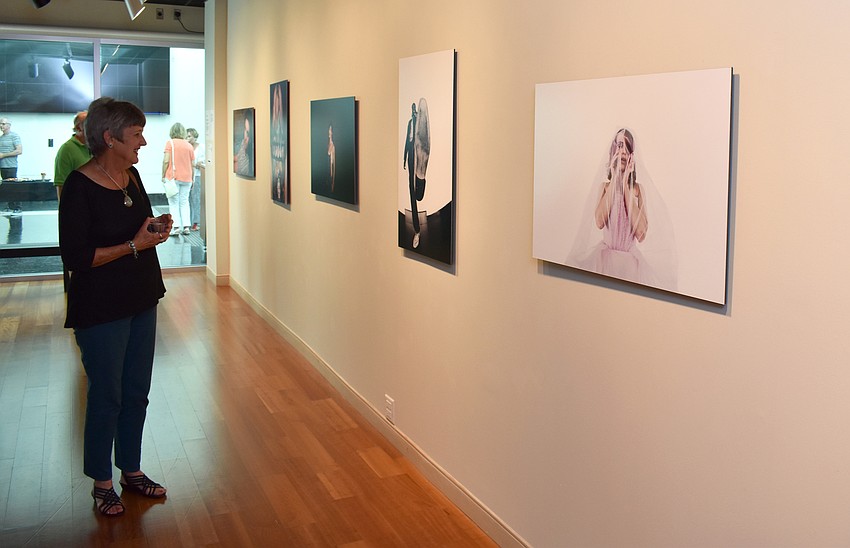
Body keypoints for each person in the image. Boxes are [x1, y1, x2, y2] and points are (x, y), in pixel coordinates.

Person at [58, 96, 172, 517]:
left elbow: (137, 228)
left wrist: (154, 229)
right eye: (136, 134)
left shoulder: (133, 176)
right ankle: (102, 482)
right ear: (110, 138)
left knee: (136, 392)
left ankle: (131, 470)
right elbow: (76, 257)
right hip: (101, 307)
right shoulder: (79, 186)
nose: (143, 142)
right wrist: (133, 245)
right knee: (107, 394)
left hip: (142, 296)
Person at [568, 128, 677, 290]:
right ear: (613, 151)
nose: (623, 152)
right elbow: (599, 221)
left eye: (627, 147)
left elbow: (641, 233)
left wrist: (625, 183)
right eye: (619, 146)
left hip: (629, 265)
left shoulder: (638, 190)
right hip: (605, 260)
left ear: (632, 154)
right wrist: (615, 178)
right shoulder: (605, 187)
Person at [162, 123, 195, 236]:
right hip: (187, 178)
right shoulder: (189, 146)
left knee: (174, 203)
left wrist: (163, 175)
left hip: (173, 177)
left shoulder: (170, 143)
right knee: (184, 202)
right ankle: (186, 227)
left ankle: (176, 227)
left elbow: (166, 161)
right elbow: (192, 164)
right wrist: (192, 178)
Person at [54, 111, 92, 201]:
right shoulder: (66, 149)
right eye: (89, 124)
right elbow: (61, 184)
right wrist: (64, 208)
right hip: (77, 203)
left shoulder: (95, 147)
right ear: (79, 128)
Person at [402, 103, 420, 247]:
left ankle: (417, 230)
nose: (413, 111)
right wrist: (404, 159)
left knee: (417, 192)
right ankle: (417, 229)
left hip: (417, 159)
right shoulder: (410, 123)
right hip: (410, 159)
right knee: (411, 191)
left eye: (415, 109)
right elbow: (406, 142)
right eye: (412, 109)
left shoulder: (419, 122)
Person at [0, 117, 23, 212]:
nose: (1, 126)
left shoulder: (14, 136)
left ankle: (17, 207)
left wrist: (3, 155)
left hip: (11, 166)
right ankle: (10, 207)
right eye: (0, 124)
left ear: (9, 125)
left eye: (3, 124)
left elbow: (19, 151)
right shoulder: (1, 138)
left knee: (13, 187)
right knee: (6, 187)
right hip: (2, 166)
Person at [186, 127, 204, 231]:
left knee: (196, 199)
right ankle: (188, 221)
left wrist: (200, 163)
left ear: (194, 137)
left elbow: (206, 159)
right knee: (187, 200)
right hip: (187, 175)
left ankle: (196, 222)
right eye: (186, 136)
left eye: (189, 136)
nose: (187, 138)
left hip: (197, 175)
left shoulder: (201, 147)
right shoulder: (186, 147)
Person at [327, 124, 336, 192]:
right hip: (330, 161)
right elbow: (328, 152)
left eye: (330, 131)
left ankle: (332, 187)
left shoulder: (332, 144)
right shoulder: (330, 143)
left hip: (332, 160)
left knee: (332, 172)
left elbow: (329, 152)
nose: (330, 133)